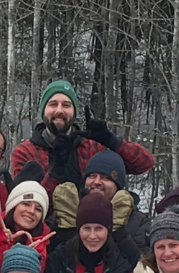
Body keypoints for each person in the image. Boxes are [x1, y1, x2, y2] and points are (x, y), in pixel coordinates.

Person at [9, 79, 155, 196]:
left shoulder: (93, 147)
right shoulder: (25, 152)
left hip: (92, 228)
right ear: (43, 111)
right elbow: (27, 205)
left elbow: (144, 163)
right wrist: (57, 169)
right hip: (47, 230)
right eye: (53, 104)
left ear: (74, 112)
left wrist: (111, 140)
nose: (59, 110)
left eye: (66, 105)